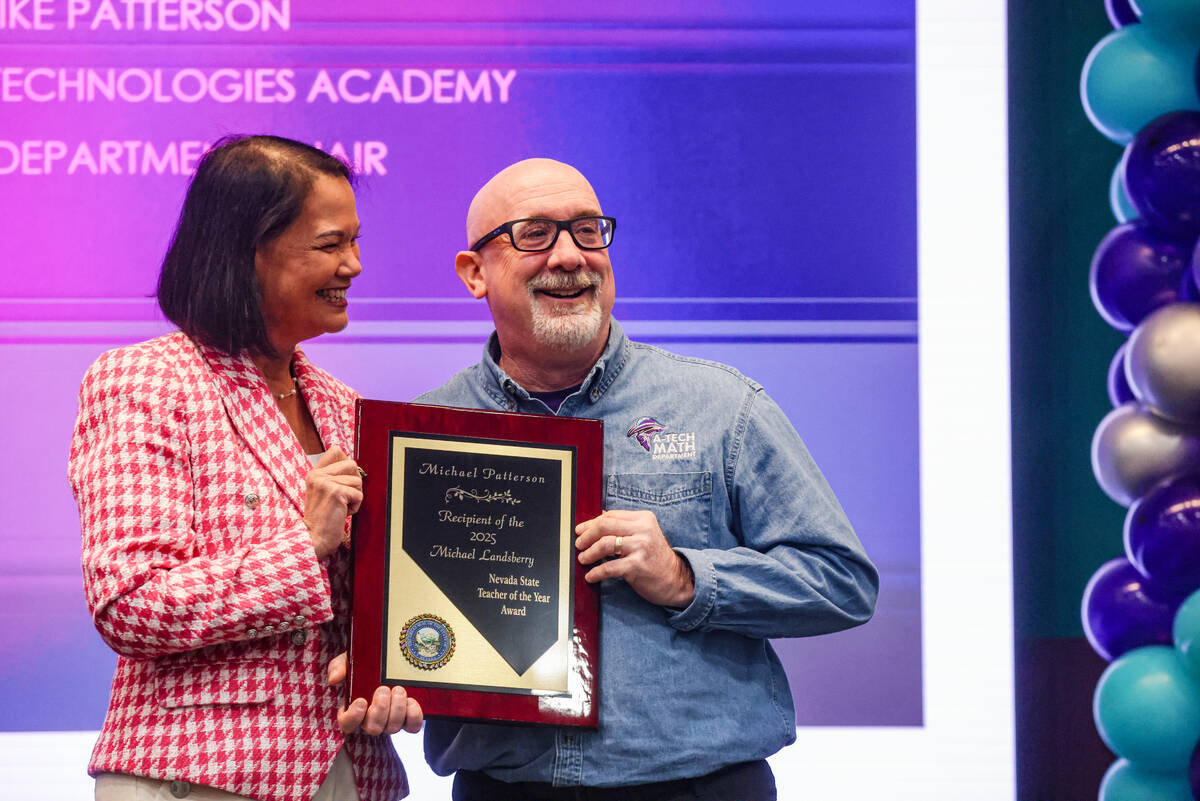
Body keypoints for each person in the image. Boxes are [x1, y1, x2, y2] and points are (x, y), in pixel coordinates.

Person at [416, 158, 880, 800]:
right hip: (502, 788)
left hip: (699, 787)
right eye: (535, 235)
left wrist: (689, 579)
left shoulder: (721, 406)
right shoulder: (426, 435)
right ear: (474, 273)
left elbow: (842, 583)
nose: (570, 257)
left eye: (587, 231)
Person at [68, 135, 421, 801]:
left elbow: (362, 608)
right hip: (197, 775)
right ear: (249, 251)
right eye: (329, 243)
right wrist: (304, 545)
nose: (356, 264)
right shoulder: (146, 380)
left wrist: (395, 667)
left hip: (350, 774)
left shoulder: (345, 407)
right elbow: (130, 604)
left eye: (355, 240)